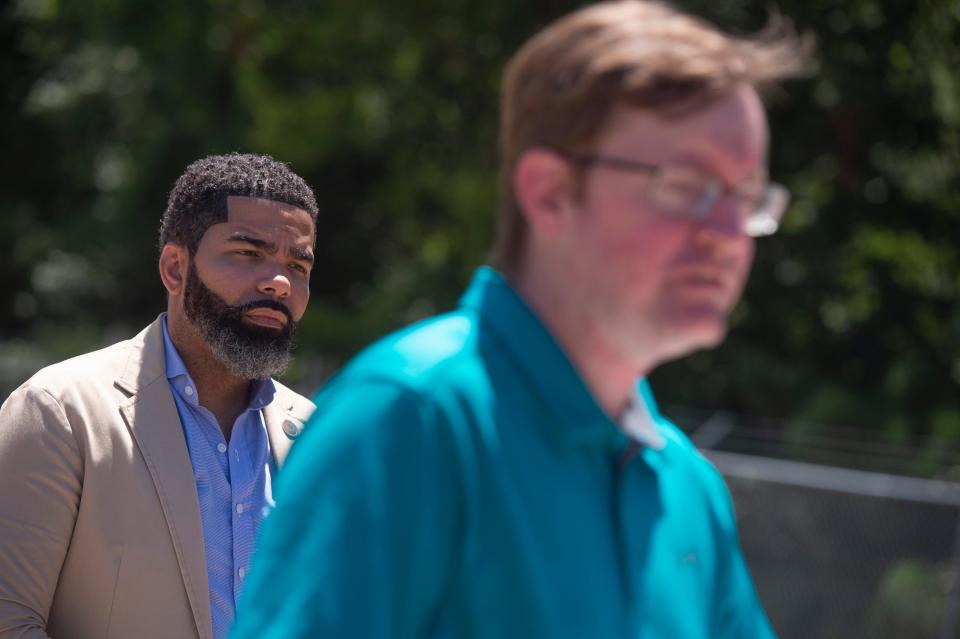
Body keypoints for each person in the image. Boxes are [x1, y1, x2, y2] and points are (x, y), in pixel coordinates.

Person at [234, 2, 812, 637]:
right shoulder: (411, 420)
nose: (730, 234)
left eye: (747, 197)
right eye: (688, 185)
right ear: (549, 191)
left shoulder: (688, 490)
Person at [0, 153, 318, 639]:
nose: (279, 282)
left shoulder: (317, 437)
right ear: (175, 268)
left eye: (297, 265)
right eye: (249, 253)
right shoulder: (59, 411)